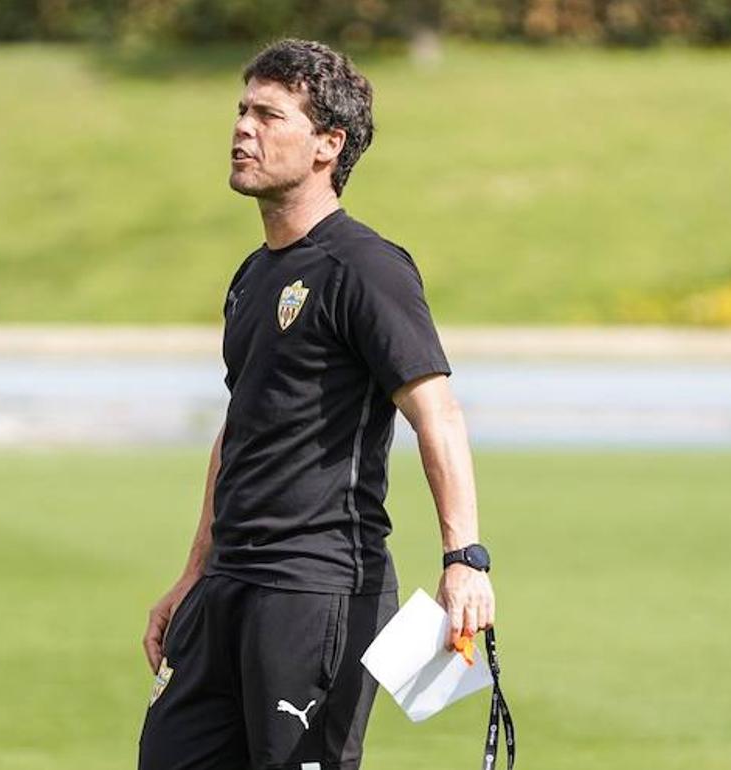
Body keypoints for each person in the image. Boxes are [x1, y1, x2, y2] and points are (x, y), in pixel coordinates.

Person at [138, 40, 496, 769]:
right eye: (242, 110)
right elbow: (242, 427)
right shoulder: (252, 275)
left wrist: (464, 559)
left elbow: (437, 413)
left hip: (315, 591)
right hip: (229, 587)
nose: (243, 128)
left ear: (328, 144)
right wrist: (195, 571)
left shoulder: (365, 268)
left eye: (269, 115)